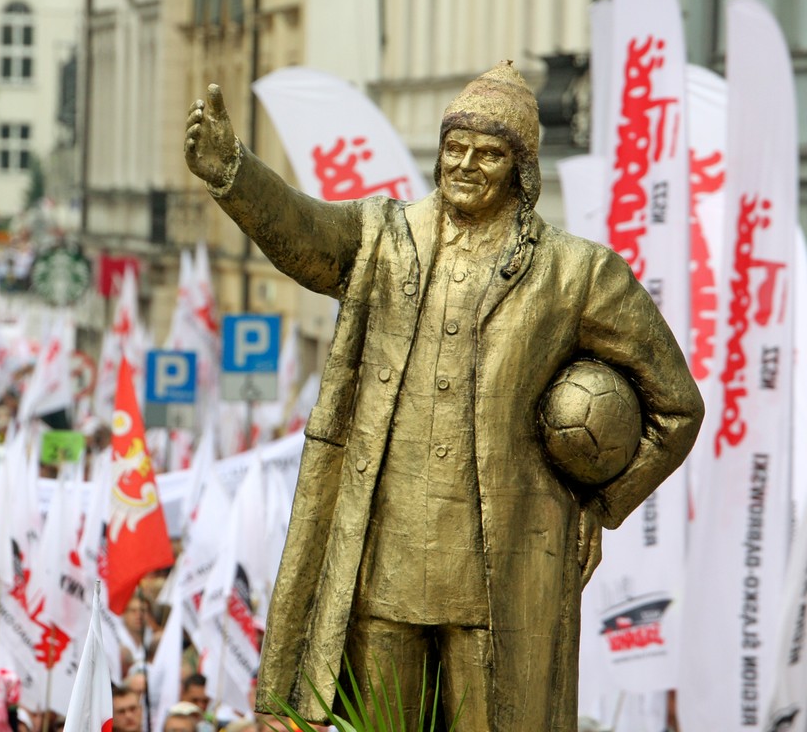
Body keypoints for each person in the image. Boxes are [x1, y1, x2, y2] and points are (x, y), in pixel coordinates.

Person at [184, 64, 704, 730]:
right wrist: (233, 170)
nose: (464, 164)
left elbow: (677, 406)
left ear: (523, 170)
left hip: (506, 572)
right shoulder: (383, 236)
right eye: (454, 149)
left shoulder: (578, 273)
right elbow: (304, 235)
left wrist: (602, 504)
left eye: (487, 154)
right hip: (381, 564)